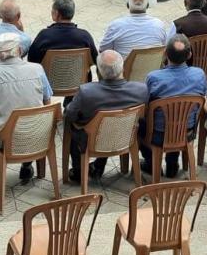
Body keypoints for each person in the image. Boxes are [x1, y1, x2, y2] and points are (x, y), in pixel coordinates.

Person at [63, 50, 149, 182]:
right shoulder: (141, 90)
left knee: (73, 123)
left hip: (93, 141)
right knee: (109, 124)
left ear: (99, 71)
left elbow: (70, 115)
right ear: (122, 68)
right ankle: (99, 165)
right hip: (125, 138)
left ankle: (79, 170)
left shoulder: (87, 92)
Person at [0, 32, 52, 182]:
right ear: (18, 50)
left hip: (6, 139)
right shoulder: (37, 69)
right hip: (37, 135)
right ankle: (27, 164)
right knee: (27, 113)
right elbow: (47, 102)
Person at [139, 34, 207, 176]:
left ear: (165, 54)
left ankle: (152, 162)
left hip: (158, 135)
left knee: (137, 125)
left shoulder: (154, 77)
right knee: (177, 119)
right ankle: (172, 163)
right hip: (187, 132)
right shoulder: (199, 75)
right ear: (189, 55)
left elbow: (145, 105)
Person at [27, 0, 98, 65]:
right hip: (79, 77)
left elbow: (31, 59)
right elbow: (96, 60)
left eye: (52, 10)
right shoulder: (85, 36)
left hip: (48, 77)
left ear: (57, 14)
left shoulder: (44, 36)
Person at [99, 0, 168, 58]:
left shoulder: (116, 25)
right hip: (155, 68)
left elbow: (103, 50)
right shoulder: (159, 25)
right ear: (147, 5)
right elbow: (164, 49)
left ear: (128, 5)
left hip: (124, 68)